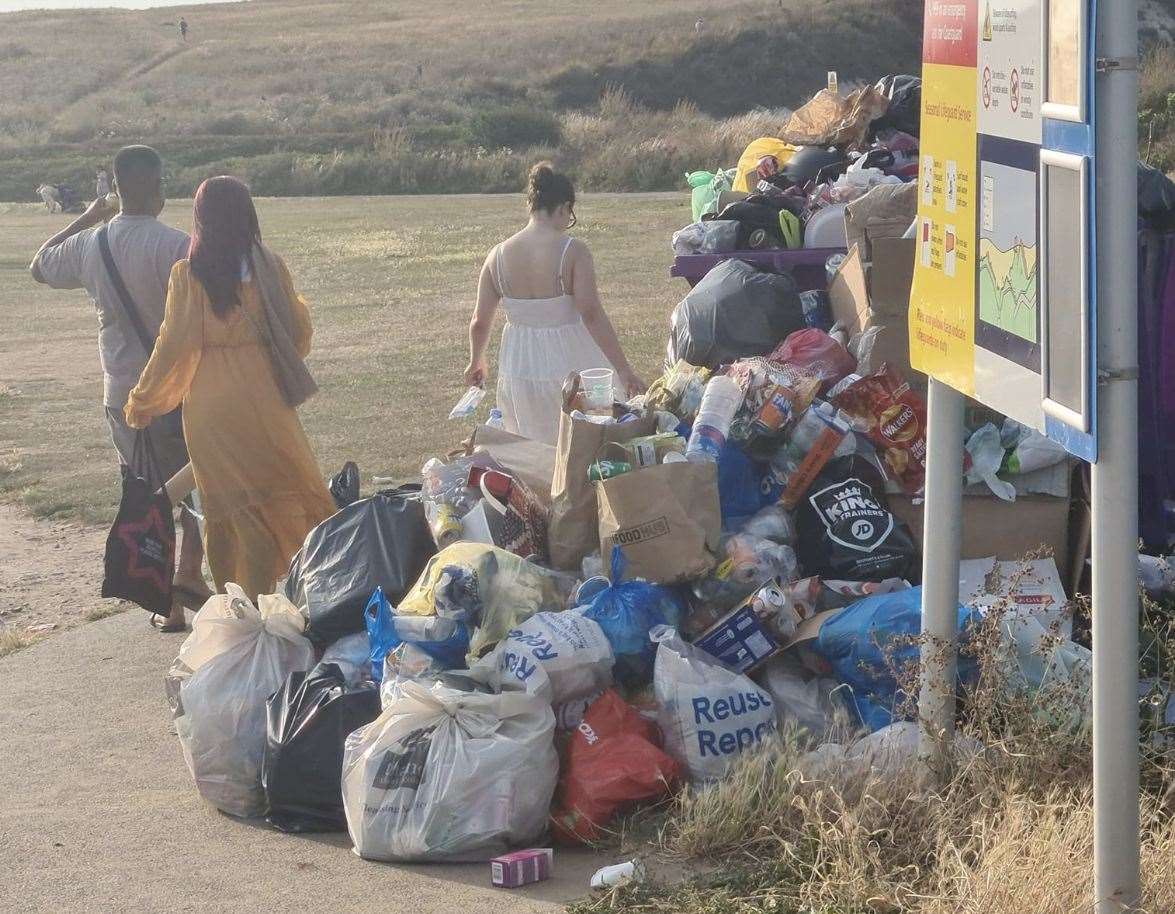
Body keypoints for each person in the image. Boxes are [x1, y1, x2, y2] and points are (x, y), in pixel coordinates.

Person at [124, 176, 335, 601]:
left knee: (227, 512)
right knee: (279, 492)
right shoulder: (269, 265)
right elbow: (297, 330)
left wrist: (143, 399)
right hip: (266, 398)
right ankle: (277, 591)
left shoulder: (189, 273)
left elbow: (174, 342)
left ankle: (239, 603)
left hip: (211, 405)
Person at [30, 145, 209, 632]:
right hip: (179, 388)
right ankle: (189, 572)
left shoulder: (94, 244)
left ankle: (162, 599)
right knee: (192, 488)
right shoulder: (178, 245)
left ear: (116, 187)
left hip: (122, 392)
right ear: (153, 185)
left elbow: (40, 265)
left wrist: (87, 216)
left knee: (143, 492)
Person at [465, 162, 645, 444]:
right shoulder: (572, 251)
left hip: (521, 361)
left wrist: (476, 359)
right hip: (571, 356)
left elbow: (479, 321)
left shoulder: (497, 255)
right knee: (587, 436)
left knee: (531, 439)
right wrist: (623, 369)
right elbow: (591, 312)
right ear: (563, 207)